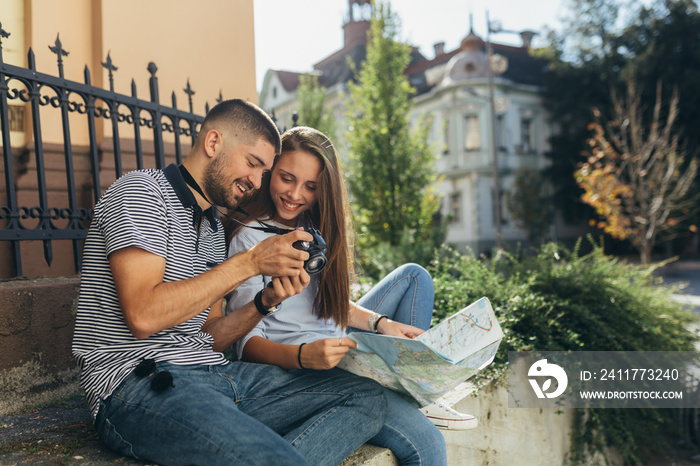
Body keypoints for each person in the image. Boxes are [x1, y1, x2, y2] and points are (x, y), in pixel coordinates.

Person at [72, 100, 388, 466]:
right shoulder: (143, 192)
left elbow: (211, 337)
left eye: (264, 171)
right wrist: (250, 263)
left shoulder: (210, 229)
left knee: (366, 397)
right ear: (213, 143)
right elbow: (143, 314)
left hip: (214, 375)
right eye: (253, 164)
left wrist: (264, 302)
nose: (257, 182)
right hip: (138, 383)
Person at [225, 127, 476, 466]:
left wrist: (381, 323)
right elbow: (247, 345)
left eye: (310, 187)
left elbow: (327, 301)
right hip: (303, 368)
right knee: (428, 445)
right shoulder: (251, 239)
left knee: (414, 278)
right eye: (286, 178)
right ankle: (407, 396)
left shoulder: (313, 224)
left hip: (340, 348)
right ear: (271, 170)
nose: (295, 194)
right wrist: (304, 355)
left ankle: (413, 385)